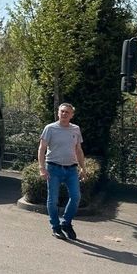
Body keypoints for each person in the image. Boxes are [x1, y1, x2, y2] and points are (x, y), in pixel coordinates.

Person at [37, 102, 86, 241]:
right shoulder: (50, 129)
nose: (64, 114)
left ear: (72, 115)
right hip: (53, 168)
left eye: (67, 112)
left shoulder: (76, 129)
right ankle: (56, 227)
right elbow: (42, 148)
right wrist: (41, 168)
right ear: (58, 113)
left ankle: (66, 223)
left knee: (76, 197)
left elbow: (78, 149)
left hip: (71, 169)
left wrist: (83, 167)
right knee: (53, 200)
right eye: (62, 111)